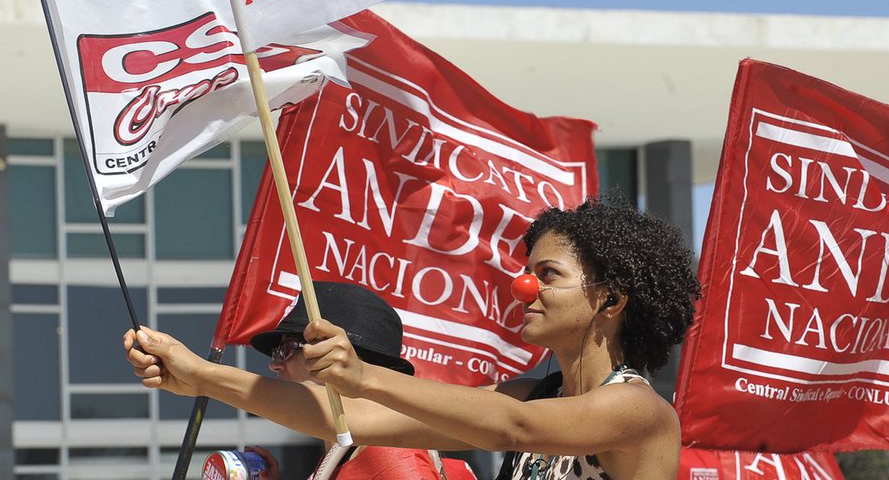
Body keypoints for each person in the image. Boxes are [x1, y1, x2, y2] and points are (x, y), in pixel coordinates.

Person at [125, 195, 701, 479]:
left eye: (547, 274)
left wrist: (365, 374)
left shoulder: (638, 410)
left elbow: (513, 430)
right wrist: (199, 375)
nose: (524, 285)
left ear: (612, 299)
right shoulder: (532, 394)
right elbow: (342, 420)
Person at [244, 281, 476, 479]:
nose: (274, 364)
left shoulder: (387, 460)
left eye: (286, 349)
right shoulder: (349, 455)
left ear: (338, 357)